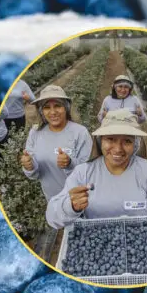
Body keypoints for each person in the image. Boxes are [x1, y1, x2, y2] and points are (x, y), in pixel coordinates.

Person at [47, 110, 147, 230]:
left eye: (127, 141)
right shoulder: (83, 173)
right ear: (101, 141)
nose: (117, 149)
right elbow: (52, 217)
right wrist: (71, 206)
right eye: (110, 139)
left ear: (135, 144)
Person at [20, 85, 92, 228]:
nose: (52, 112)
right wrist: (29, 166)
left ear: (66, 107)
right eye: (47, 107)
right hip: (53, 198)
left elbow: (90, 171)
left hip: (80, 198)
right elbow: (34, 174)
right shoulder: (36, 133)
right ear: (41, 111)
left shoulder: (80, 133)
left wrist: (70, 163)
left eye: (57, 106)